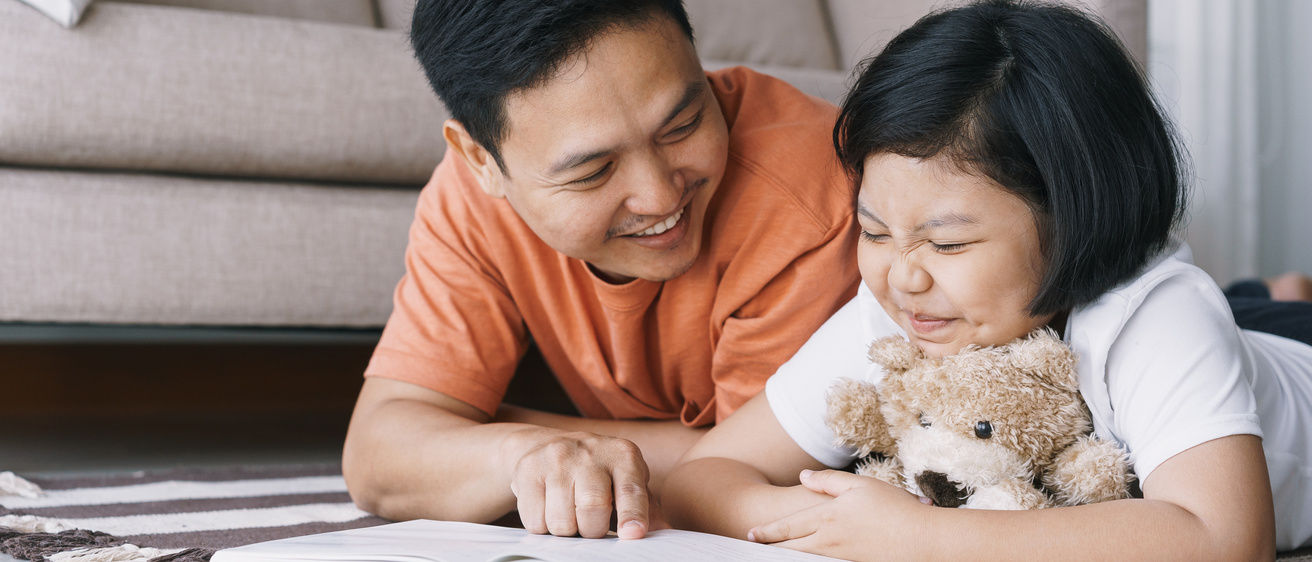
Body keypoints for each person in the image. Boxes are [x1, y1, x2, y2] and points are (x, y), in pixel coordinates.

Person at [662, 1, 1312, 559]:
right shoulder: (903, 305)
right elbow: (703, 480)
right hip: (1232, 341)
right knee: (1241, 312)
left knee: (1233, 311)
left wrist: (922, 536)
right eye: (874, 231)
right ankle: (1259, 297)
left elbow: (1223, 538)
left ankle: (1271, 298)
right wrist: (838, 523)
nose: (902, 275)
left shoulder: (1157, 315)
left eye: (947, 242)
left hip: (1292, 357)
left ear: (1077, 214)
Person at [340, 0, 861, 541]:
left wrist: (471, 432)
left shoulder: (807, 199)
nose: (660, 196)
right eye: (593, 172)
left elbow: (744, 467)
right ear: (481, 162)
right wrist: (525, 452)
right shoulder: (472, 199)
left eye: (682, 125)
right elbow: (377, 453)